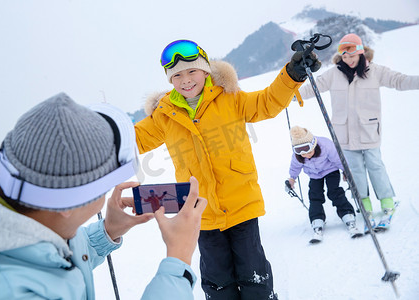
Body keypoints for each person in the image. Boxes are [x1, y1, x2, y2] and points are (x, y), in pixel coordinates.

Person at [0, 93, 207, 300]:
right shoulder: (10, 292)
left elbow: (47, 255)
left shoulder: (19, 221)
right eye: (102, 188)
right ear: (67, 206)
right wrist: (178, 258)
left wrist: (107, 231)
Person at [134, 39, 321, 299]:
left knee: (254, 274)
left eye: (192, 71)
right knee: (217, 280)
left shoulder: (229, 97)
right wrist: (99, 137)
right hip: (203, 213)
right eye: (177, 75)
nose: (186, 80)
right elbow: (135, 140)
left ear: (205, 71)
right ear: (170, 79)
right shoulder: (164, 114)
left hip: (241, 205)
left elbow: (267, 102)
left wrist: (292, 75)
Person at [298, 33, 419, 230]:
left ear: (361, 52)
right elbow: (312, 88)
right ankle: (365, 206)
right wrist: (289, 97)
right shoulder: (334, 74)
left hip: (369, 130)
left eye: (352, 55)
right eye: (344, 56)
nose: (348, 59)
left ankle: (387, 202)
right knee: (355, 172)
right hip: (344, 134)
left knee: (375, 167)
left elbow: (400, 80)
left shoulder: (375, 71)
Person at [287, 126, 362, 243]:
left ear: (314, 145)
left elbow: (338, 159)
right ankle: (317, 219)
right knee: (314, 196)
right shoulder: (298, 154)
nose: (307, 155)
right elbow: (295, 166)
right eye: (302, 154)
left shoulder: (325, 145)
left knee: (334, 192)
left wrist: (346, 171)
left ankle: (347, 214)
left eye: (309, 152)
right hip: (314, 175)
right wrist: (292, 178)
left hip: (330, 171)